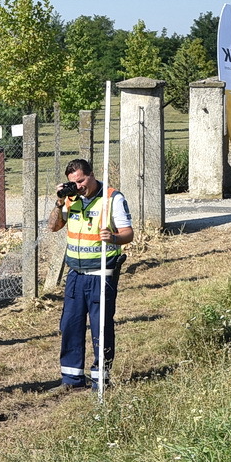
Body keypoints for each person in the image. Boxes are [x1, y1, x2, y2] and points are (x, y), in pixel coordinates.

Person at [46, 158, 134, 390]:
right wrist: (59, 201)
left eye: (82, 180)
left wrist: (113, 238)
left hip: (101, 273)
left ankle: (100, 380)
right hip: (75, 273)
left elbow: (128, 233)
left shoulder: (112, 198)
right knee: (70, 325)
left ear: (92, 174)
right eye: (73, 182)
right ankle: (71, 379)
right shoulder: (70, 198)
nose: (79, 185)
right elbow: (53, 226)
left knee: (100, 327)